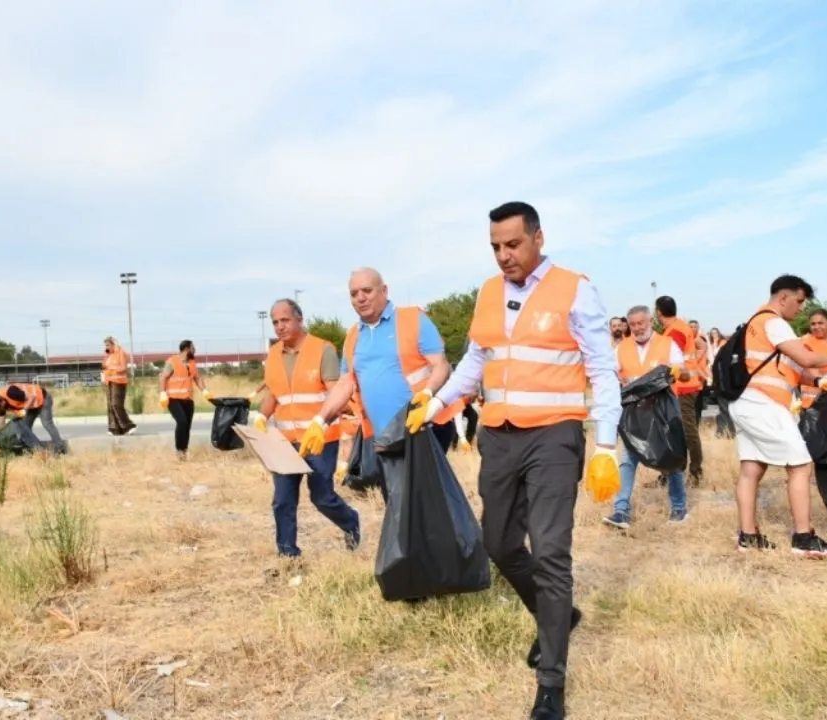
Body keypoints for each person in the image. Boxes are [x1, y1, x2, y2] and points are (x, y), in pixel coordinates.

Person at [405, 201, 621, 720]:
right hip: (499, 437)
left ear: (538, 238)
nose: (504, 256)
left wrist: (607, 445)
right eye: (496, 247)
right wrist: (435, 406)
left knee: (550, 551)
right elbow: (476, 363)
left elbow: (602, 368)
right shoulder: (487, 293)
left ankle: (551, 682)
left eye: (513, 245)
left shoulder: (574, 288)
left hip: (554, 437)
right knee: (498, 544)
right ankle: (559, 616)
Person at [729, 274, 827, 558]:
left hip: (747, 403)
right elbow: (807, 359)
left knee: (751, 470)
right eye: (798, 301)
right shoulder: (773, 322)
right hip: (764, 404)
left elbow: (795, 369)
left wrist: (819, 381)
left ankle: (748, 536)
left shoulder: (754, 325)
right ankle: (803, 538)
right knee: (800, 466)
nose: (801, 309)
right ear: (783, 298)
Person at [298, 267, 462, 474]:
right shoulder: (353, 336)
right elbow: (344, 384)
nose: (360, 298)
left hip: (423, 428)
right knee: (394, 499)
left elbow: (441, 365)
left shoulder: (413, 319)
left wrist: (428, 393)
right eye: (354, 293)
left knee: (421, 501)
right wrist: (319, 421)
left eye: (367, 290)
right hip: (383, 436)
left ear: (384, 291)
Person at [255, 299, 361, 557]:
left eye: (285, 320)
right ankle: (288, 554)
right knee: (282, 500)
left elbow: (336, 394)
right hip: (285, 442)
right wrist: (261, 416)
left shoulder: (322, 350)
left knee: (322, 498)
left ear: (299, 319)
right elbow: (273, 392)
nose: (280, 326)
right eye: (275, 322)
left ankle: (350, 522)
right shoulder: (272, 355)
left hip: (319, 440)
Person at [603, 304, 690, 529]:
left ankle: (679, 506)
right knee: (628, 459)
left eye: (641, 323)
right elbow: (610, 375)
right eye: (632, 325)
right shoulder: (621, 348)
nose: (637, 328)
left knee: (670, 456)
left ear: (650, 321)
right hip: (634, 412)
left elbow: (684, 372)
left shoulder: (666, 344)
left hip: (661, 411)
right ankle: (621, 510)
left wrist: (678, 372)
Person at [655, 296, 706, 486]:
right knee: (680, 432)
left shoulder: (674, 332)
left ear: (658, 312)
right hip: (685, 386)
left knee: (687, 432)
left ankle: (695, 472)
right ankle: (675, 472)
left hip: (682, 387)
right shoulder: (680, 326)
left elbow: (669, 362)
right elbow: (701, 347)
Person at [158, 340, 214, 460]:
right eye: (193, 348)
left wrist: (204, 391)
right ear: (187, 349)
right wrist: (162, 393)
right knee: (182, 422)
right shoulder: (172, 361)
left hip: (188, 399)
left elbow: (197, 378)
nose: (195, 350)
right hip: (173, 399)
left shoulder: (192, 362)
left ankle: (184, 451)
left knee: (187, 426)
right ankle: (179, 450)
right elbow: (163, 377)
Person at [0, 382, 66, 452]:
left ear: (2, 403)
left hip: (43, 398)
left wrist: (24, 411)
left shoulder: (12, 393)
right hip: (32, 406)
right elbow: (1, 423)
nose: (2, 410)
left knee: (47, 423)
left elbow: (32, 397)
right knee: (25, 427)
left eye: (1, 408)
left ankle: (60, 448)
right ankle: (33, 449)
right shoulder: (1, 406)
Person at [798, 308, 827, 409]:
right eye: (813, 324)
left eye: (820, 323)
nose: (816, 327)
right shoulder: (806, 343)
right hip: (814, 401)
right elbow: (809, 372)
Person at [102, 336, 135, 436]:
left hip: (119, 381)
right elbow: (104, 367)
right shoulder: (108, 356)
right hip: (109, 382)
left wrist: (117, 344)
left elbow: (123, 366)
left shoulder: (120, 353)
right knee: (110, 405)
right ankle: (114, 428)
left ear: (113, 345)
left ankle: (128, 425)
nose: (106, 347)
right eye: (105, 345)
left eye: (108, 345)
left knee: (116, 404)